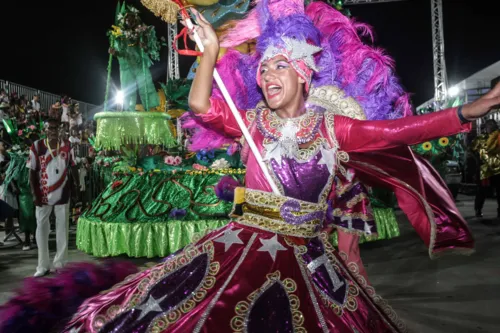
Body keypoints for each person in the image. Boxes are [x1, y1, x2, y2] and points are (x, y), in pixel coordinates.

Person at [2, 2, 500, 332]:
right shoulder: (253, 122)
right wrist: (211, 54)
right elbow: (199, 105)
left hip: (309, 258)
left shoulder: (333, 128)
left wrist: (464, 114)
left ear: (303, 74)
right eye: (262, 68)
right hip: (240, 247)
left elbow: (399, 133)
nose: (265, 76)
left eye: (278, 65)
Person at [28, 118, 79, 277]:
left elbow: (73, 167)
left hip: (63, 194)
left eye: (56, 128)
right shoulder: (37, 146)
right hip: (42, 195)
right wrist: (34, 193)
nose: (53, 131)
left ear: (61, 130)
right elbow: (31, 171)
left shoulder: (67, 145)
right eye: (50, 128)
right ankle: (42, 265)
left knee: (62, 229)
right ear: (45, 130)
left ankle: (60, 263)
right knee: (41, 230)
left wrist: (76, 188)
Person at [471, 119, 500, 217]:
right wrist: (478, 161)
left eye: (492, 125)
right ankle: (478, 209)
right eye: (489, 125)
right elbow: (472, 150)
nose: (490, 127)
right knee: (482, 191)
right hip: (484, 169)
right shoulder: (480, 138)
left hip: (498, 169)